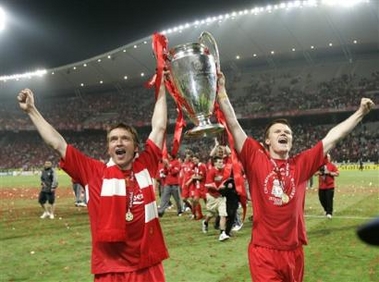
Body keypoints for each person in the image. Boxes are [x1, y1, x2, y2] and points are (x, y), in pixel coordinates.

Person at [216, 71, 375, 282]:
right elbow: (234, 124)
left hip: (294, 252)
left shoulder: (300, 164)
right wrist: (221, 92)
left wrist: (360, 113)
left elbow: (333, 137)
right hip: (264, 252)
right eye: (278, 131)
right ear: (267, 142)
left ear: (291, 142)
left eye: (288, 133)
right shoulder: (255, 158)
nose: (284, 134)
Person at [17, 76, 169, 281]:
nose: (119, 142)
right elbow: (57, 144)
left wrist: (161, 86)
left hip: (146, 266)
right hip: (109, 269)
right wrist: (31, 111)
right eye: (113, 139)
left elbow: (159, 127)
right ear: (108, 148)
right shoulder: (93, 171)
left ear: (135, 147)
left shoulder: (146, 164)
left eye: (125, 138)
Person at [203, 156, 232, 241]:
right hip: (212, 196)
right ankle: (205, 222)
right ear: (215, 163)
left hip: (221, 197)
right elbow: (207, 184)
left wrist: (229, 185)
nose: (221, 164)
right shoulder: (211, 171)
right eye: (219, 162)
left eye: (222, 162)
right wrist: (218, 187)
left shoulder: (224, 171)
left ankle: (222, 233)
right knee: (210, 214)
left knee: (223, 214)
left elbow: (227, 180)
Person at [158, 152, 183, 217]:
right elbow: (165, 172)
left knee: (177, 199)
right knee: (164, 198)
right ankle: (161, 211)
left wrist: (168, 165)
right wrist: (165, 168)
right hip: (167, 183)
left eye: (168, 154)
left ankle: (180, 210)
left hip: (175, 184)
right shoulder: (168, 162)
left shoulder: (177, 162)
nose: (168, 156)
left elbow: (174, 172)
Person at [315, 153, 339, 219]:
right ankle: (326, 210)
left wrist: (329, 173)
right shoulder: (320, 165)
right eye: (326, 157)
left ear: (330, 158)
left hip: (330, 186)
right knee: (321, 199)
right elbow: (314, 173)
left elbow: (337, 174)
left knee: (329, 200)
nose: (327, 158)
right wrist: (319, 173)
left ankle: (329, 213)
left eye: (328, 157)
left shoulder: (332, 165)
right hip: (321, 186)